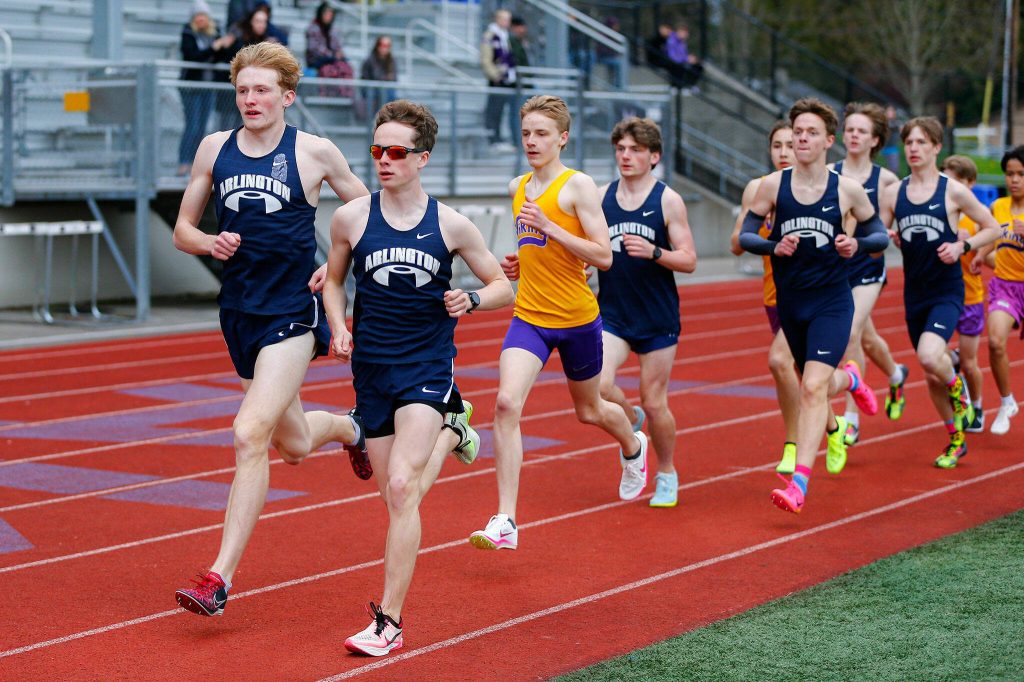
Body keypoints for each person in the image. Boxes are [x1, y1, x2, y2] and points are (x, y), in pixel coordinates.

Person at [171, 42, 372, 618]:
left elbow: (372, 218)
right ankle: (351, 429)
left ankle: (219, 578)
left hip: (291, 312)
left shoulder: (314, 152)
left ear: (287, 96)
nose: (251, 100)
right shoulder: (214, 148)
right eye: (242, 90)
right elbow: (183, 229)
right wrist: (211, 242)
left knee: (247, 433)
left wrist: (334, 263)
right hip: (238, 312)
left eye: (262, 90)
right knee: (293, 445)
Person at [322, 100, 514, 655]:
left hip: (426, 367)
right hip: (372, 370)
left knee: (404, 487)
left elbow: (503, 285)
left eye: (396, 152)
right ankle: (456, 432)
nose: (383, 160)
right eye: (377, 150)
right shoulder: (351, 217)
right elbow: (334, 281)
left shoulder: (450, 223)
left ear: (422, 157)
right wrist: (337, 325)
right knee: (394, 496)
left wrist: (473, 298)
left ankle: (389, 621)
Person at [469, 95, 649, 550]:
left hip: (577, 319)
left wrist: (550, 227)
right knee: (506, 404)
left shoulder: (578, 187)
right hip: (529, 315)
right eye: (526, 133)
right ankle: (506, 520)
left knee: (589, 411)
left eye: (542, 134)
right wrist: (520, 262)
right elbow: (536, 247)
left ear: (563, 138)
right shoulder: (518, 185)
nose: (532, 141)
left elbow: (604, 256)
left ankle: (633, 446)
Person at [739, 98, 888, 514]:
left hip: (831, 302)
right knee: (818, 385)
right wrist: (773, 245)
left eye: (810, 133)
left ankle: (798, 483)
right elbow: (747, 235)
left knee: (810, 387)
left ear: (828, 141)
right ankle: (854, 382)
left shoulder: (847, 189)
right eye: (797, 132)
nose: (802, 139)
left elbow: (879, 236)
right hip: (792, 303)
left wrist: (855, 242)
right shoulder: (774, 185)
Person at [879, 117, 1000, 468]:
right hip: (914, 294)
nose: (914, 149)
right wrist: (885, 238)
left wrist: (963, 248)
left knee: (931, 356)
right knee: (931, 370)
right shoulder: (894, 193)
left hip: (947, 291)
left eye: (921, 142)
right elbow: (875, 237)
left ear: (936, 147)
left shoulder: (953, 191)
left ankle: (960, 392)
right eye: (909, 143)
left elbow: (993, 227)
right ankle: (955, 438)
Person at [597, 117, 697, 508]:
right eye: (621, 149)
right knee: (599, 387)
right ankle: (630, 421)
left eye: (636, 150)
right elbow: (588, 247)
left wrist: (655, 252)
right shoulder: (602, 196)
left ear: (653, 156)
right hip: (614, 313)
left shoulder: (667, 200)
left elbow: (689, 260)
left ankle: (667, 471)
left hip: (657, 317)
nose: (626, 156)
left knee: (656, 402)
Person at [830, 102, 907, 447]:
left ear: (875, 140)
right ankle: (895, 373)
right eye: (850, 129)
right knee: (868, 339)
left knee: (850, 334)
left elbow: (881, 239)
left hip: (867, 269)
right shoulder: (829, 171)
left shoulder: (887, 181)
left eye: (862, 131)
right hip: (834, 269)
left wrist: (882, 239)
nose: (854, 135)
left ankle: (851, 415)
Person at [729, 121, 801, 474]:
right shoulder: (759, 189)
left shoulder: (818, 189)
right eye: (777, 146)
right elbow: (736, 245)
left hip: (815, 295)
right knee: (801, 372)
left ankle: (793, 444)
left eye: (791, 144)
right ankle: (836, 417)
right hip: (775, 297)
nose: (784, 152)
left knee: (779, 361)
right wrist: (755, 218)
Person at [973, 145, 1024, 435]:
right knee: (994, 341)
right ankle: (1007, 402)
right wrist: (981, 253)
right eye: (1009, 174)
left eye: (1020, 174)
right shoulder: (999, 207)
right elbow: (993, 236)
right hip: (1005, 286)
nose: (1014, 180)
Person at [940, 155, 986, 433]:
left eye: (956, 180)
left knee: (970, 363)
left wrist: (977, 252)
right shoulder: (939, 211)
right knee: (933, 353)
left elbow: (990, 245)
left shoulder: (976, 214)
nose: (951, 185)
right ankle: (952, 362)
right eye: (946, 179)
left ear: (970, 183)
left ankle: (977, 407)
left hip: (970, 298)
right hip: (942, 296)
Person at [178, 1, 236, 176]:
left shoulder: (215, 33)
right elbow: (193, 56)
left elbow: (221, 57)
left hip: (208, 86)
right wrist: (213, 47)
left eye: (204, 15)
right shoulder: (188, 33)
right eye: (198, 16)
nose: (201, 19)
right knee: (193, 126)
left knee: (203, 127)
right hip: (192, 86)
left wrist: (226, 45)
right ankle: (184, 163)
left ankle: (196, 164)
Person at [214, 5, 280, 131]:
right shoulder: (238, 39)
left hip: (250, 95)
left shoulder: (265, 41)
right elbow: (225, 58)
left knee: (243, 126)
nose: (262, 25)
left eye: (264, 22)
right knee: (226, 126)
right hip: (230, 90)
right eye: (258, 21)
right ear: (251, 22)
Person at [480, 9, 519, 152]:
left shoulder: (504, 36)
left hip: (507, 78)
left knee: (501, 109)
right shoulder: (490, 35)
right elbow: (486, 59)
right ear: (498, 19)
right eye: (505, 19)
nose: (507, 22)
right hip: (497, 79)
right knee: (494, 110)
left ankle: (499, 138)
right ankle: (494, 139)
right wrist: (494, 75)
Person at [305, 1, 354, 98]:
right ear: (321, 14)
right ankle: (327, 96)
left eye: (330, 14)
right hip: (317, 61)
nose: (328, 16)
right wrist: (332, 54)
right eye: (326, 14)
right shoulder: (312, 28)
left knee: (347, 68)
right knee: (329, 70)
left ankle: (345, 96)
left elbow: (337, 46)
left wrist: (339, 54)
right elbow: (314, 48)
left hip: (332, 60)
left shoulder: (333, 30)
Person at [360, 35, 398, 121]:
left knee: (391, 93)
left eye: (388, 46)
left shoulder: (392, 60)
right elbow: (370, 77)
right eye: (382, 45)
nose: (385, 48)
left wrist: (383, 78)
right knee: (377, 93)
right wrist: (385, 77)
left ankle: (386, 120)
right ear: (377, 45)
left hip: (384, 90)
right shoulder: (370, 59)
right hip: (370, 89)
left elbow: (394, 78)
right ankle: (376, 120)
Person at [663, 22, 703, 89]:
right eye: (685, 33)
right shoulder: (671, 40)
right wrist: (686, 59)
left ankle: (689, 85)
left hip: (680, 62)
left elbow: (683, 54)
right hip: (671, 63)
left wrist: (690, 58)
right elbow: (672, 56)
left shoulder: (682, 42)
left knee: (698, 66)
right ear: (679, 31)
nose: (687, 35)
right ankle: (677, 85)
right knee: (684, 66)